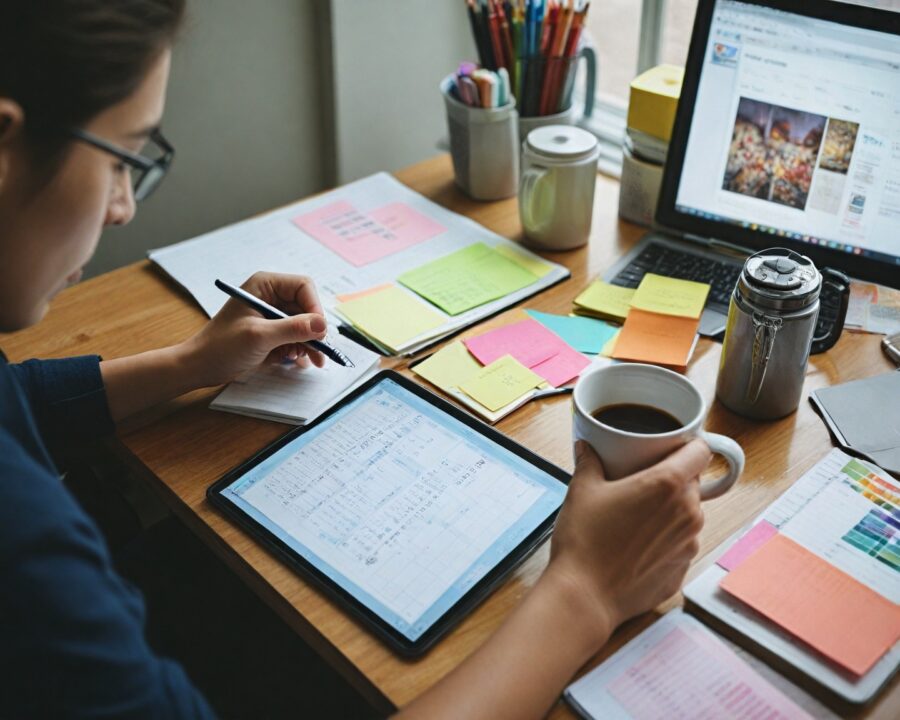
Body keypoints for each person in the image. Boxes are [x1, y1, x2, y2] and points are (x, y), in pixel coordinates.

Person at [0, 2, 710, 717]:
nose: (123, 207)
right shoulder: (26, 549)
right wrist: (583, 594)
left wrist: (191, 362)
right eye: (125, 156)